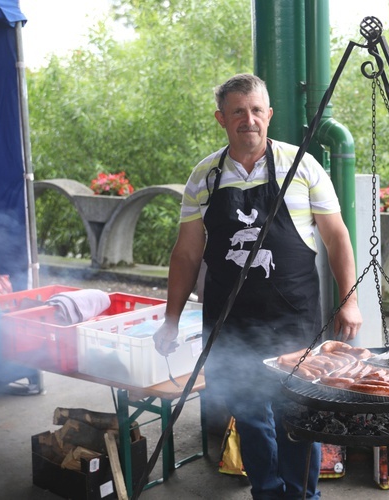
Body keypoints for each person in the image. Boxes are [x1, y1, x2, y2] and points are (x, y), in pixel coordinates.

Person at [154, 73, 362, 499]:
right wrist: (170, 321)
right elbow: (187, 254)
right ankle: (267, 493)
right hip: (232, 323)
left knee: (298, 415)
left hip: (293, 318)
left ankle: (303, 496)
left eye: (255, 110)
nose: (247, 120)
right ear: (221, 119)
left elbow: (337, 236)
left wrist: (350, 300)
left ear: (269, 115)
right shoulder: (205, 176)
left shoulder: (301, 165)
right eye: (237, 112)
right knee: (248, 415)